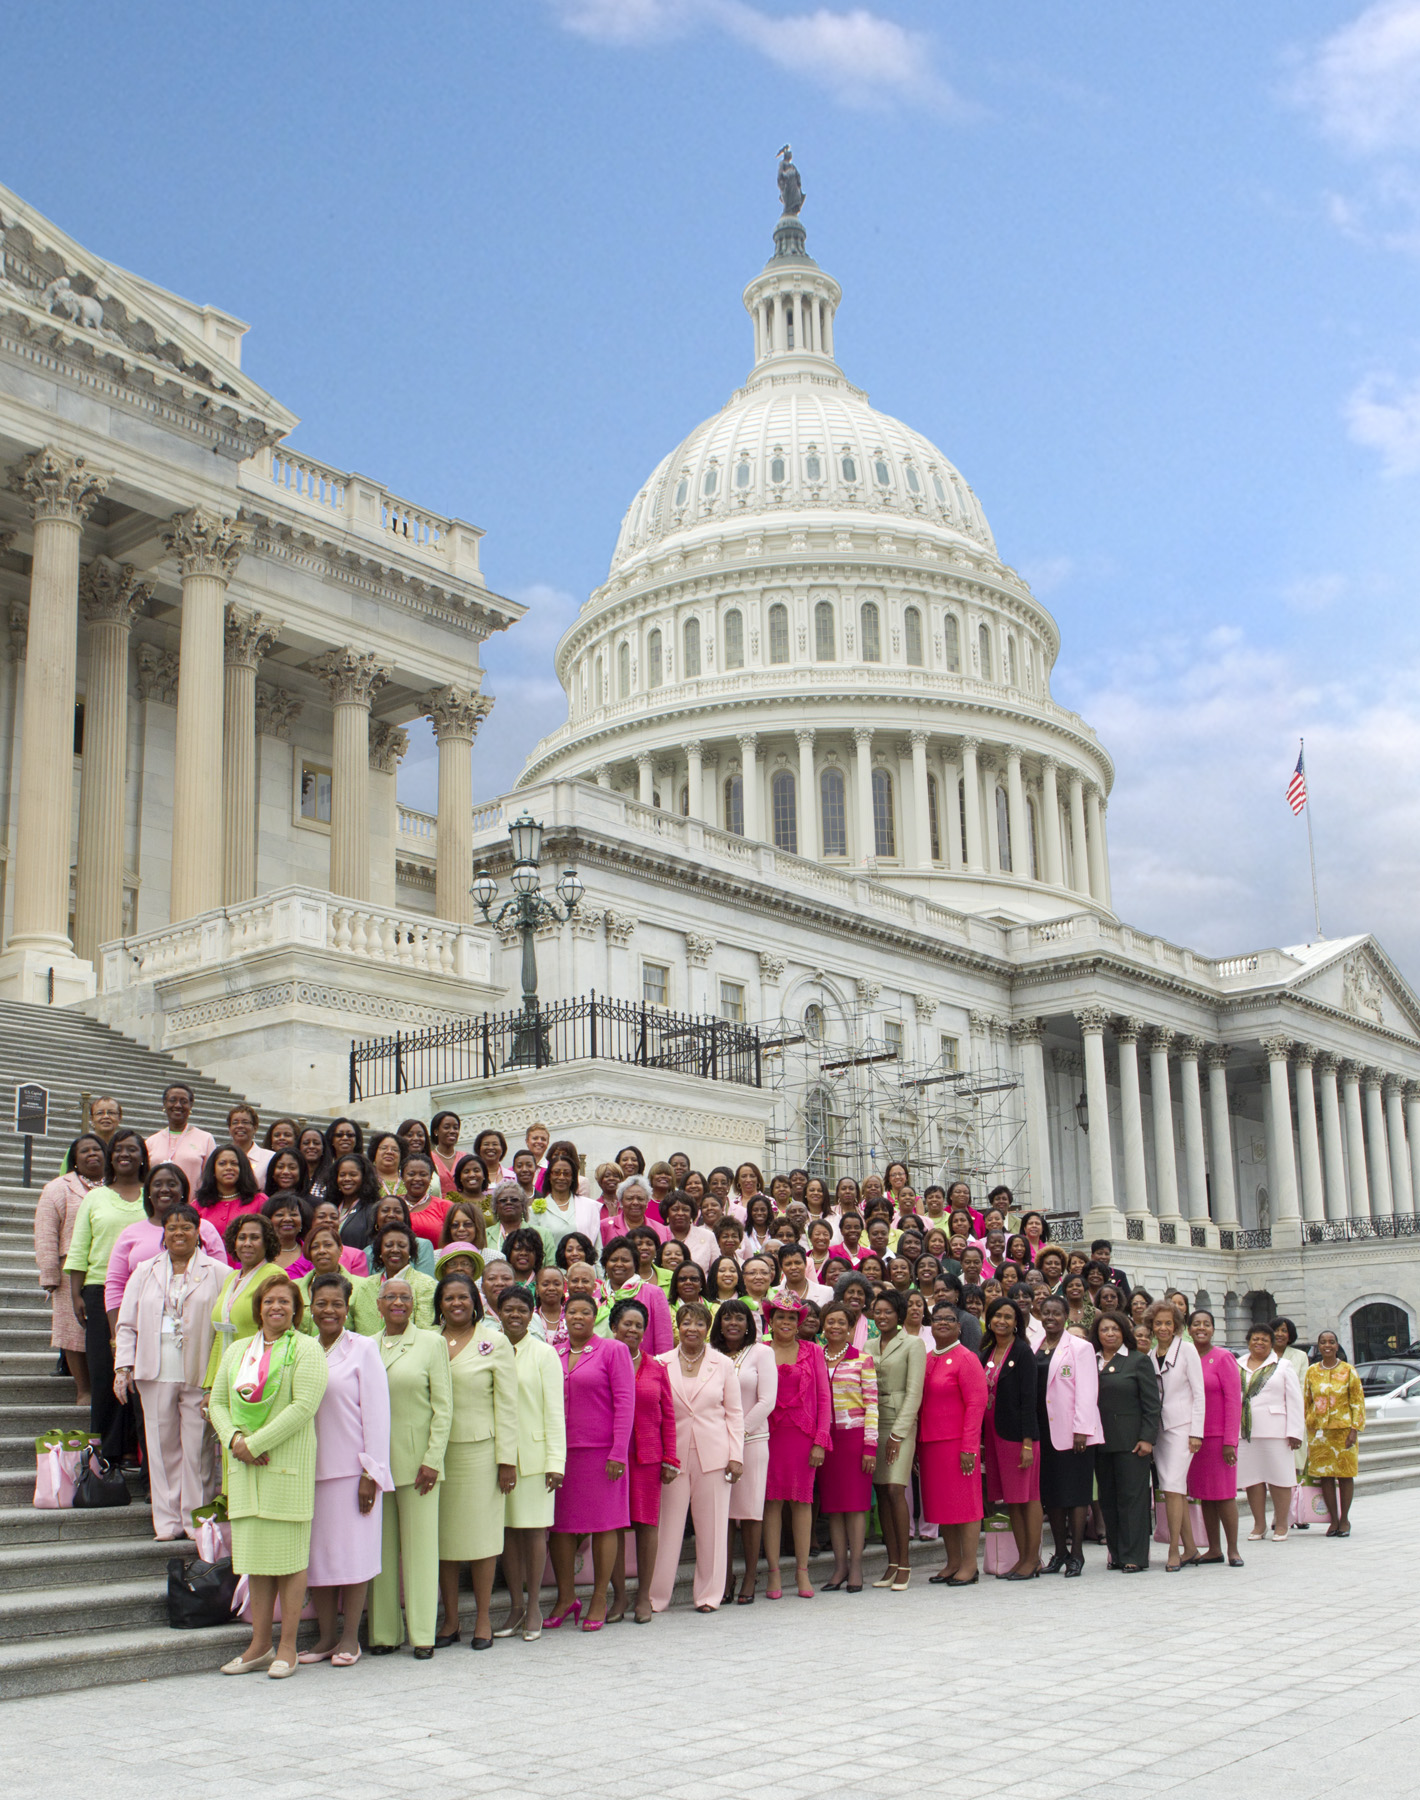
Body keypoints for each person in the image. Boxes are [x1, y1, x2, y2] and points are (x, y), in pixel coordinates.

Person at [208, 1274, 329, 1677]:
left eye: (285, 1301)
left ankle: (288, 1647)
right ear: (258, 1307)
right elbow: (218, 1402)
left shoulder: (307, 1349)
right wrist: (235, 1439)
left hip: (285, 1466)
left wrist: (256, 1443)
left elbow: (305, 1404)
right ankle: (259, 1645)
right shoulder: (239, 1350)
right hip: (244, 1469)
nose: (276, 1307)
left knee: (290, 1561)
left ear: (296, 1308)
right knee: (256, 1561)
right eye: (269, 1301)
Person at [112, 1204, 226, 1540]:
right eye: (172, 1227)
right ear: (164, 1232)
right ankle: (167, 1522)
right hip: (154, 1369)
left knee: (198, 1450)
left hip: (199, 1371)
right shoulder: (145, 1271)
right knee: (161, 1448)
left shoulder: (218, 1271)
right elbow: (127, 1323)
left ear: (198, 1232)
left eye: (186, 1227)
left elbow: (225, 1327)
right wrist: (123, 1367)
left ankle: (196, 1520)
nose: (179, 1233)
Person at [300, 1272, 392, 1667]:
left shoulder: (363, 1349)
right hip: (308, 1473)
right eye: (321, 1303)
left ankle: (351, 1639)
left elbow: (377, 1414)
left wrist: (371, 1474)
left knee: (355, 1558)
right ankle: (325, 1638)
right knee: (318, 1559)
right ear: (310, 1307)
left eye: (336, 1304)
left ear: (348, 1306)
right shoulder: (301, 1349)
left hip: (353, 1474)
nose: (329, 1311)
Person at [435, 1271, 519, 1651]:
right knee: (444, 1542)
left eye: (463, 1297)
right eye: (449, 1298)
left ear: (476, 1302)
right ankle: (450, 1618)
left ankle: (482, 1617)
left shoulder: (495, 1342)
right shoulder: (428, 1341)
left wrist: (507, 1460)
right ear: (439, 1304)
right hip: (436, 1456)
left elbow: (507, 1405)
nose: (456, 1303)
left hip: (481, 1454)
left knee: (483, 1540)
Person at [369, 1278, 452, 1658]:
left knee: (420, 1552)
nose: (398, 1302)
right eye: (391, 1297)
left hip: (420, 1465)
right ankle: (384, 1633)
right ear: (379, 1304)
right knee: (381, 1554)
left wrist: (433, 1460)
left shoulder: (432, 1343)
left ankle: (422, 1635)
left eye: (405, 1297)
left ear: (414, 1304)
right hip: (376, 1467)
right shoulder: (366, 1346)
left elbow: (443, 1407)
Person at [649, 1300, 744, 1614]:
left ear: (707, 1328)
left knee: (713, 1528)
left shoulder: (722, 1364)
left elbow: (734, 1413)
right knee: (667, 1529)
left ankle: (708, 1595)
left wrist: (736, 1455)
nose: (692, 1329)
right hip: (671, 1456)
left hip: (714, 1454)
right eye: (686, 1322)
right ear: (678, 1326)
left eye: (699, 1323)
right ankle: (656, 1597)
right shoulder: (660, 1362)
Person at [548, 1293, 634, 1631]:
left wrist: (618, 1452)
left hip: (601, 1453)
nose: (578, 1317)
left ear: (595, 1317)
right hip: (561, 1454)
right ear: (563, 1316)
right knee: (559, 1529)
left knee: (604, 1525)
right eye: (573, 1311)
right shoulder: (553, 1352)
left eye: (586, 1312)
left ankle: (599, 1596)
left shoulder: (613, 1350)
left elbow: (625, 1403)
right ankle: (566, 1597)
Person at [64, 1128, 150, 1462]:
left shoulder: (152, 1195)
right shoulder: (96, 1197)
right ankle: (105, 1457)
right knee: (105, 1375)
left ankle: (134, 1451)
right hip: (100, 1294)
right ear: (111, 1157)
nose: (125, 1155)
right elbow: (79, 1247)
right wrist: (76, 1294)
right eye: (118, 1150)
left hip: (147, 1294)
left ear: (143, 1156)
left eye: (132, 1149)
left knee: (142, 1375)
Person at [492, 1284, 566, 1639]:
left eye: (522, 1309)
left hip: (536, 1459)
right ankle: (516, 1606)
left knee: (534, 1531)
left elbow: (555, 1411)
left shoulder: (543, 1353)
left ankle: (534, 1605)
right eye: (509, 1309)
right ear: (498, 1313)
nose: (516, 1315)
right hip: (497, 1459)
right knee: (506, 1533)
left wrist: (556, 1461)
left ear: (532, 1312)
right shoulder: (488, 1349)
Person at [609, 1296, 677, 1623]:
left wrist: (670, 1458)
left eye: (639, 1325)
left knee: (647, 1525)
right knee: (614, 1528)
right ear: (613, 1327)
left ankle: (643, 1597)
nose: (632, 1330)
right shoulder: (602, 1360)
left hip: (648, 1456)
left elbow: (669, 1415)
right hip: (612, 1458)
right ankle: (618, 1597)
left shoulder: (656, 1367)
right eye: (627, 1324)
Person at [762, 1290, 831, 1601]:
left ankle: (802, 1570)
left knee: (802, 1503)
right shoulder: (759, 1350)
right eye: (781, 1317)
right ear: (771, 1321)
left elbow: (824, 1398)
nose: (786, 1322)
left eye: (792, 1317)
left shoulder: (813, 1351)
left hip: (803, 1437)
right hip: (768, 1436)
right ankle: (774, 1571)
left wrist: (820, 1439)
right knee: (771, 1503)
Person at [709, 1299, 776, 1604]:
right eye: (726, 1318)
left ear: (749, 1324)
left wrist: (739, 1432)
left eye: (739, 1318)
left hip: (751, 1441)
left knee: (749, 1513)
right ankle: (723, 1577)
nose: (733, 1323)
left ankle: (750, 1575)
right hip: (716, 1444)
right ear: (719, 1324)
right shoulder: (711, 1354)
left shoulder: (763, 1352)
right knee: (721, 1515)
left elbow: (767, 1401)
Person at [33, 1133, 107, 1402]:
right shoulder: (57, 1187)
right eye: (84, 1151)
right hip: (69, 1269)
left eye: (97, 1149)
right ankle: (84, 1389)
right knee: (72, 1329)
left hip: (110, 1266)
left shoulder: (116, 1186)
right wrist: (49, 1273)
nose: (92, 1155)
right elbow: (45, 1232)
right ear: (74, 1160)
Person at [919, 1303, 988, 1585]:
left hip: (957, 1443)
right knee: (943, 1505)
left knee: (966, 1506)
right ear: (931, 1325)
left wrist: (969, 1446)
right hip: (931, 1443)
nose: (943, 1323)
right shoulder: (927, 1357)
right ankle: (952, 1561)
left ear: (960, 1326)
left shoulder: (966, 1358)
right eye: (938, 1319)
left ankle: (970, 1565)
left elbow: (976, 1403)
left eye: (950, 1319)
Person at [1036, 1294, 1102, 1577]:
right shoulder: (1035, 1346)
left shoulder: (1080, 1347)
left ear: (1067, 1316)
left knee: (1076, 1495)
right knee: (1052, 1497)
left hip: (1074, 1432)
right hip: (1044, 1431)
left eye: (1056, 1313)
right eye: (1046, 1313)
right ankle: (1060, 1552)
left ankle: (1076, 1553)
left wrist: (1081, 1430)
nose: (1051, 1318)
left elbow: (1088, 1391)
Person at [817, 1299, 877, 1592]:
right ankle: (839, 1566)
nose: (836, 1327)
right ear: (822, 1325)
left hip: (854, 1439)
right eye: (831, 1321)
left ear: (852, 1327)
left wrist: (870, 1447)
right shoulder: (816, 1356)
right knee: (834, 1507)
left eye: (842, 1322)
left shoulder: (861, 1358)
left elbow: (872, 1405)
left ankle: (856, 1567)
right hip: (826, 1440)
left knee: (855, 1507)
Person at [1093, 1311, 1160, 1573]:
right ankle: (1117, 1554)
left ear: (1124, 1333)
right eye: (1104, 1330)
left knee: (1132, 1499)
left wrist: (1147, 1438)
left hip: (1132, 1442)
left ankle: (1135, 1555)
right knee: (1108, 1499)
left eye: (1115, 1329)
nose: (1109, 1334)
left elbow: (1152, 1404)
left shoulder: (1138, 1361)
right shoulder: (1091, 1361)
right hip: (1101, 1441)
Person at [980, 1296, 1042, 1580]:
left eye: (1008, 1316)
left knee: (1027, 1498)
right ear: (989, 1319)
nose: (1002, 1321)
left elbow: (1030, 1400)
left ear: (1017, 1322)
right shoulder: (986, 1352)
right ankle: (1022, 1558)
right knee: (1012, 1500)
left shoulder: (1023, 1352)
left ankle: (1033, 1559)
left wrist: (1028, 1442)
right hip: (994, 1435)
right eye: (997, 1316)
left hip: (1018, 1437)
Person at [871, 1289, 925, 1591]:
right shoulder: (867, 1345)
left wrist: (898, 1433)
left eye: (888, 1312)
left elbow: (914, 1391)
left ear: (900, 1314)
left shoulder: (913, 1344)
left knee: (895, 1488)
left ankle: (905, 1562)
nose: (882, 1317)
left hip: (900, 1422)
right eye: (877, 1311)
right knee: (881, 1490)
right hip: (873, 1422)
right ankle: (891, 1562)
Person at [1149, 1298, 1206, 1570]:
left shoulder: (1188, 1351)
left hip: (1182, 1429)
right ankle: (1191, 1548)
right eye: (1158, 1323)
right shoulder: (1149, 1355)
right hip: (1159, 1431)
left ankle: (1174, 1549)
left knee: (1172, 1486)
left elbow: (1199, 1393)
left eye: (1168, 1323)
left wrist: (1197, 1433)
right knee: (1174, 1490)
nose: (1163, 1328)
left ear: (1176, 1326)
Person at [1236, 1321, 1304, 1543]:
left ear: (1272, 1344)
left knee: (1280, 1478)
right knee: (1252, 1480)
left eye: (1265, 1339)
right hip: (1246, 1431)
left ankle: (1282, 1523)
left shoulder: (1283, 1366)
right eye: (1255, 1338)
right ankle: (1259, 1524)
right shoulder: (1237, 1364)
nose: (1259, 1342)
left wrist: (1295, 1432)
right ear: (1248, 1341)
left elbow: (1294, 1400)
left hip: (1276, 1430)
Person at [1187, 1309, 1244, 1567]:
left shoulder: (1223, 1357)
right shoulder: (1186, 1357)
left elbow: (1234, 1401)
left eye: (1206, 1324)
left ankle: (1233, 1550)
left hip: (1219, 1437)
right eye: (1196, 1324)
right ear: (1188, 1329)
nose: (1201, 1328)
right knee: (1204, 1495)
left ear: (1213, 1329)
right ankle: (1213, 1548)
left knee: (1224, 1495)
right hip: (1194, 1437)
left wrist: (1230, 1441)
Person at [205, 1214, 283, 1387]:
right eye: (242, 1238)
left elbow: (280, 1332)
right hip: (225, 1372)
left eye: (255, 1238)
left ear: (267, 1242)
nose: (247, 1243)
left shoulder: (274, 1275)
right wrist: (210, 1385)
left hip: (255, 1374)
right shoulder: (230, 1278)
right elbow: (220, 1335)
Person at [1304, 1330, 1365, 1538]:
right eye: (1323, 1342)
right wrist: (1306, 1429)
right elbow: (1307, 1401)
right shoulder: (1312, 1371)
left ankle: (1345, 1519)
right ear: (1319, 1346)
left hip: (1343, 1432)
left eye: (1331, 1342)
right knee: (1325, 1477)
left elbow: (1357, 1402)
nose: (1327, 1345)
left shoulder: (1349, 1370)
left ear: (1337, 1346)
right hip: (1320, 1433)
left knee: (1345, 1475)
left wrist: (1354, 1430)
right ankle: (1333, 1520)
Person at [599, 1235, 673, 1353]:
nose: (619, 1264)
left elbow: (664, 1341)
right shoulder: (597, 1296)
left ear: (635, 1264)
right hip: (602, 1367)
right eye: (613, 1260)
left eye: (625, 1260)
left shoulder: (654, 1293)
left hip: (642, 1366)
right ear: (605, 1264)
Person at [144, 1084, 216, 1193]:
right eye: (172, 1100)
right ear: (164, 1104)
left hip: (194, 1207)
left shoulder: (206, 1139)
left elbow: (211, 1178)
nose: (178, 1105)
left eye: (184, 1101)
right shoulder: (151, 1142)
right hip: (159, 1207)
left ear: (191, 1105)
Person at [193, 1144, 266, 1248]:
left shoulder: (259, 1201)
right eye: (222, 1164)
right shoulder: (198, 1205)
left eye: (234, 1164)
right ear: (213, 1170)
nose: (229, 1168)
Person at [227, 1105, 272, 1186]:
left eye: (245, 1122)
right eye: (235, 1122)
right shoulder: (221, 1156)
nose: (240, 1126)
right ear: (229, 1128)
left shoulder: (269, 1157)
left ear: (255, 1127)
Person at [428, 1110, 463, 1195]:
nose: (452, 1131)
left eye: (455, 1128)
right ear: (436, 1131)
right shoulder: (428, 1158)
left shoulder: (465, 1158)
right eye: (447, 1127)